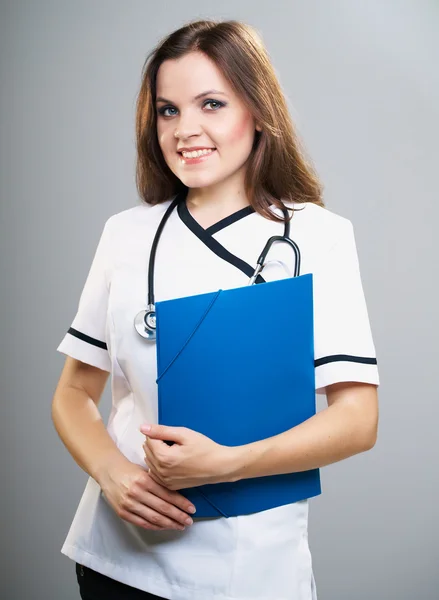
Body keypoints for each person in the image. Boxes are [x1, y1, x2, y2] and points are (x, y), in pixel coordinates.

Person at [52, 18, 380, 600]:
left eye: (211, 103)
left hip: (249, 571)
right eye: (168, 110)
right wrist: (112, 473)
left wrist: (229, 464)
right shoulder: (126, 235)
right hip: (118, 561)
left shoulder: (317, 237)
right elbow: (74, 393)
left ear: (256, 109)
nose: (186, 130)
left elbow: (357, 420)